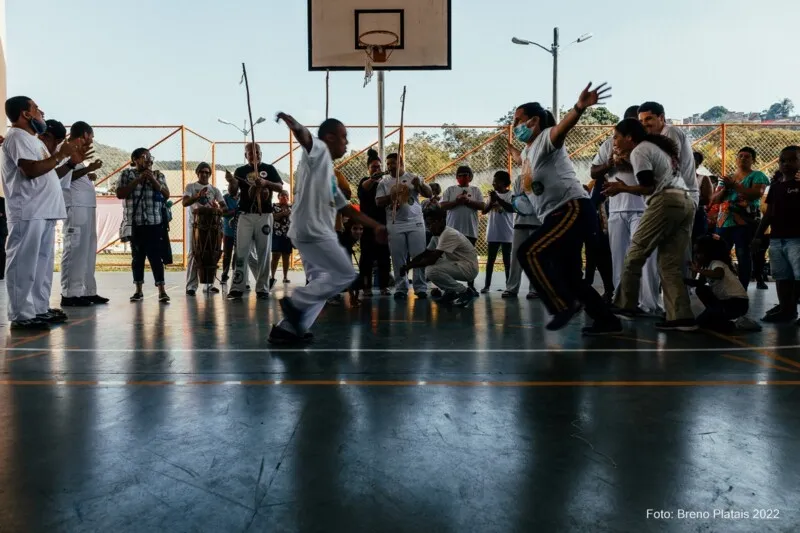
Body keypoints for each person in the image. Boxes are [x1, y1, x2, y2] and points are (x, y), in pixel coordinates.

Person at [513, 84, 622, 335]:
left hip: (571, 208)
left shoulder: (546, 138)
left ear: (534, 121)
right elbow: (523, 160)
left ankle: (561, 305)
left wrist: (579, 108)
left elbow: (563, 129)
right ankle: (607, 321)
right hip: (558, 214)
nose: (514, 124)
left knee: (529, 252)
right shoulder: (528, 151)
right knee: (570, 276)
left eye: (518, 119)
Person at [270, 113, 388, 344]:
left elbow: (348, 210)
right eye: (344, 137)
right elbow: (306, 137)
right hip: (313, 231)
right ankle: (295, 302)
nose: (346, 142)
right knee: (343, 275)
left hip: (307, 231)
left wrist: (376, 226)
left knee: (321, 284)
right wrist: (294, 124)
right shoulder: (319, 151)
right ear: (330, 137)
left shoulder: (330, 174)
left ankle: (287, 329)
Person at [2, 97, 86, 328]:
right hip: (28, 209)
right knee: (23, 263)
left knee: (41, 264)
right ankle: (21, 314)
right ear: (25, 114)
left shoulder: (32, 140)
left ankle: (38, 308)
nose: (41, 113)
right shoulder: (17, 136)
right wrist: (60, 155)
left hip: (43, 210)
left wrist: (65, 161)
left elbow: (48, 173)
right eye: (36, 109)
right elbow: (29, 170)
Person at [604, 118, 696, 331]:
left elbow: (647, 187)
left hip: (665, 202)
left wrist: (622, 188)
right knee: (670, 263)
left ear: (629, 137)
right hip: (685, 201)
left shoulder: (639, 151)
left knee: (635, 253)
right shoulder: (657, 148)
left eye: (617, 137)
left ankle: (624, 306)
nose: (614, 141)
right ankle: (681, 317)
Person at [591, 105, 661, 314]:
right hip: (617, 209)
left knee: (646, 258)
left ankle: (649, 303)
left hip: (644, 208)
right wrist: (611, 163)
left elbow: (651, 178)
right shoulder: (609, 145)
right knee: (619, 258)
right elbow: (594, 171)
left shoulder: (649, 147)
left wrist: (628, 159)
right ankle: (623, 301)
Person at [59, 121, 109, 307]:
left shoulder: (78, 153)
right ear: (85, 135)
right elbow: (64, 176)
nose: (92, 141)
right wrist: (89, 169)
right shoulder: (64, 150)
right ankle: (70, 293)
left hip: (87, 206)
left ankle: (87, 290)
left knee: (88, 250)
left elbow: (75, 175)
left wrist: (88, 174)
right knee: (75, 248)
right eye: (92, 137)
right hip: (75, 206)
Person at [226, 143, 283, 300]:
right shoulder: (240, 171)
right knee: (241, 251)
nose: (254, 154)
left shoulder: (269, 169)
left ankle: (263, 288)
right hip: (245, 215)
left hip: (264, 215)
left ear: (261, 153)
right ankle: (238, 286)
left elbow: (280, 187)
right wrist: (232, 182)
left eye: (256, 151)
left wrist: (266, 183)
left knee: (264, 252)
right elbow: (232, 192)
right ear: (246, 155)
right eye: (250, 152)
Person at [116, 147, 171, 303]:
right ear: (134, 160)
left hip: (154, 223)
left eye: (149, 156)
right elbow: (120, 193)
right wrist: (138, 180)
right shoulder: (127, 174)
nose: (147, 159)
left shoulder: (158, 175)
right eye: (143, 156)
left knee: (156, 258)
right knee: (137, 258)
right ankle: (138, 290)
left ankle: (161, 290)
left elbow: (166, 195)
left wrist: (152, 180)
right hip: (136, 224)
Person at [709, 147, 769, 291]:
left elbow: (756, 193)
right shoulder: (727, 178)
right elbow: (714, 200)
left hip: (744, 221)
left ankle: (742, 288)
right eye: (740, 156)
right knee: (721, 254)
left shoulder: (758, 175)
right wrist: (725, 189)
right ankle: (722, 285)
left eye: (747, 156)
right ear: (736, 159)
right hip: (723, 221)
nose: (743, 158)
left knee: (743, 254)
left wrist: (734, 186)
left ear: (753, 160)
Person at [752, 146, 800, 324]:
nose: (786, 163)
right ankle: (787, 309)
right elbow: (769, 214)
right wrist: (758, 235)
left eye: (792, 159)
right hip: (777, 238)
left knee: (798, 276)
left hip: (797, 238)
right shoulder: (775, 187)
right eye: (783, 160)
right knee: (781, 276)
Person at [375, 152, 432, 300]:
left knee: (418, 255)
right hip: (395, 223)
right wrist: (392, 196)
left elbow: (429, 194)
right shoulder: (384, 182)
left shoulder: (413, 177)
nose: (390, 166)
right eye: (387, 164)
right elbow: (379, 202)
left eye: (393, 163)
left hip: (415, 222)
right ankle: (401, 287)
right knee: (397, 257)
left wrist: (419, 184)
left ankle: (420, 287)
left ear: (400, 163)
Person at [401, 207, 479, 307]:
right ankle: (450, 292)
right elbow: (425, 253)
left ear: (442, 221)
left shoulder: (448, 234)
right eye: (428, 224)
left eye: (433, 223)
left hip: (469, 269)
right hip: (460, 264)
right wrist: (408, 264)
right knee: (432, 267)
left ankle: (465, 292)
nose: (430, 227)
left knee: (431, 270)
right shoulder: (436, 235)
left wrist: (409, 267)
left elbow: (431, 259)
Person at [685, 235, 748, 332]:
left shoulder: (716, 263)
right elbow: (699, 283)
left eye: (698, 253)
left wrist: (698, 270)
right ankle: (717, 315)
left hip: (737, 303)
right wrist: (684, 280)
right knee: (701, 290)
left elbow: (718, 274)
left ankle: (720, 317)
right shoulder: (707, 266)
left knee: (700, 322)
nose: (696, 256)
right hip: (726, 302)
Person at [440, 165, 484, 293]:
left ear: (470, 177)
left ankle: (470, 286)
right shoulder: (450, 190)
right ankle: (451, 287)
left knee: (469, 259)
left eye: (465, 175)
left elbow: (482, 205)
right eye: (460, 175)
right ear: (456, 177)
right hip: (452, 230)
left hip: (470, 230)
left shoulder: (475, 190)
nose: (462, 177)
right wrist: (457, 201)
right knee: (449, 258)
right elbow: (442, 206)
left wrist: (468, 202)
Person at [183, 162, 224, 295]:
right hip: (195, 226)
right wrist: (197, 196)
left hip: (212, 227)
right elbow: (185, 202)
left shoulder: (215, 190)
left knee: (211, 254)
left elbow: (223, 206)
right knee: (193, 254)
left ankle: (209, 285)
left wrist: (218, 208)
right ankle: (191, 286)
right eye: (202, 172)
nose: (205, 174)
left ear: (210, 174)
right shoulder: (191, 187)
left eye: (207, 172)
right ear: (197, 173)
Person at [357, 149, 391, 296]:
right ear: (368, 169)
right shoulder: (365, 182)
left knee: (384, 256)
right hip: (368, 225)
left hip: (383, 223)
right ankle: (366, 287)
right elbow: (364, 188)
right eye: (373, 167)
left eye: (379, 167)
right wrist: (373, 178)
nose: (377, 169)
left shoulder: (385, 183)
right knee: (366, 258)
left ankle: (384, 286)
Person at [481, 171, 513, 293]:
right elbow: (484, 211)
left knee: (507, 261)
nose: (493, 183)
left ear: (504, 183)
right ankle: (486, 285)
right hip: (493, 232)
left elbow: (511, 209)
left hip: (506, 232)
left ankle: (509, 286)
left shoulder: (511, 195)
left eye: (496, 181)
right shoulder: (492, 195)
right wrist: (492, 201)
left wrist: (498, 199)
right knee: (490, 261)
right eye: (493, 181)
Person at [338, 218, 364, 306]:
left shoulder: (351, 238)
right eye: (355, 229)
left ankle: (353, 297)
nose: (358, 231)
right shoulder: (344, 239)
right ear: (350, 229)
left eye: (361, 229)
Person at [270, 190, 293, 288]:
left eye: (286, 195)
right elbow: (271, 217)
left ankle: (285, 276)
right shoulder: (274, 206)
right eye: (282, 195)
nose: (284, 197)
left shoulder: (291, 207)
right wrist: (282, 214)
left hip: (287, 235)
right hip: (276, 234)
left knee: (286, 256)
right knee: (275, 256)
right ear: (278, 197)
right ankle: (272, 276)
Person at [220, 175, 239, 283]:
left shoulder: (242, 197)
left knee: (238, 254)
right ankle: (224, 274)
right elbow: (223, 212)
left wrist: (234, 211)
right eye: (229, 187)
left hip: (240, 230)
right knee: (227, 254)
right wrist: (236, 211)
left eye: (233, 187)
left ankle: (236, 275)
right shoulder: (225, 197)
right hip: (228, 231)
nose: (230, 189)